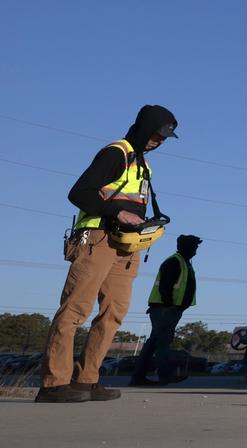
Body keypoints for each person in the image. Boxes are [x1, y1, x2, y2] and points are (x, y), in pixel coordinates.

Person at [37, 105, 178, 404]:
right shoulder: (116, 153)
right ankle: (53, 384)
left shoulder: (142, 164)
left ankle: (86, 380)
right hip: (98, 238)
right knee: (75, 309)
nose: (159, 142)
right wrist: (118, 213)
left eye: (164, 139)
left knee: (114, 313)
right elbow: (79, 193)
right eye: (156, 135)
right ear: (143, 129)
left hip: (126, 246)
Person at [129, 234, 200, 386]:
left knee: (153, 344)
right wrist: (169, 305)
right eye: (193, 247)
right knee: (163, 344)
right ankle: (164, 375)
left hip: (168, 309)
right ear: (184, 247)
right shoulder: (174, 262)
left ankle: (138, 377)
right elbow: (165, 286)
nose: (195, 250)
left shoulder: (184, 263)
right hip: (165, 309)